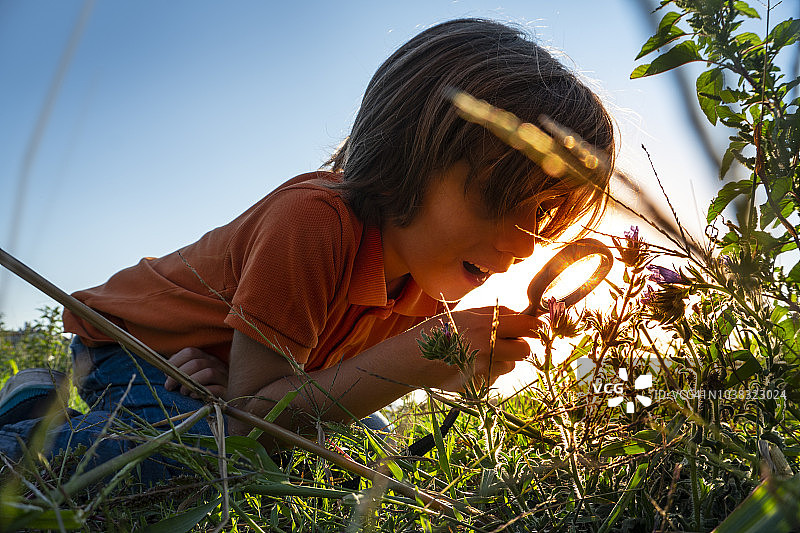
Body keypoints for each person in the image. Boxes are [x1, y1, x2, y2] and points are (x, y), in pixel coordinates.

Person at [0, 18, 614, 482]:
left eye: (542, 222)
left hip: (242, 373)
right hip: (141, 346)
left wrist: (458, 368)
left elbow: (309, 392)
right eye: (492, 198)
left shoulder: (432, 278)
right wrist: (415, 360)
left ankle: (36, 403)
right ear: (408, 151)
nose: (518, 246)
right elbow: (252, 425)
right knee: (194, 461)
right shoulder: (316, 223)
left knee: (367, 455)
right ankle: (24, 436)